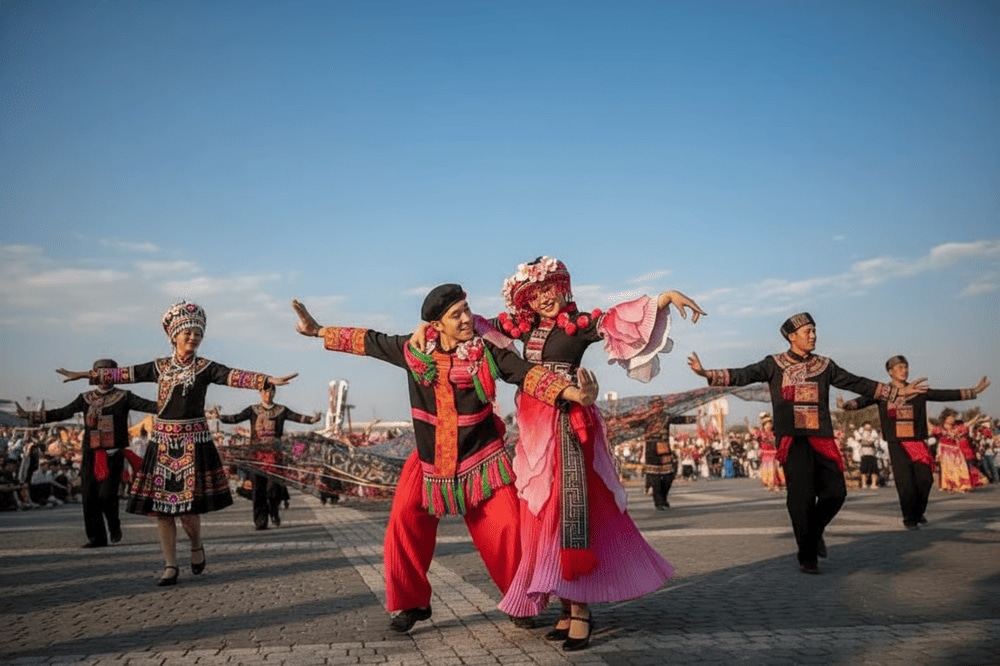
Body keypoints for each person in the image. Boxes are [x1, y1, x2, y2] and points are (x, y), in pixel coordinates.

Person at [291, 284, 599, 634]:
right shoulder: (413, 350)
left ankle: (521, 602)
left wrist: (574, 393)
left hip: (483, 460)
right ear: (437, 324)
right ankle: (413, 603)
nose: (467, 318)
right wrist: (317, 331)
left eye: (467, 310)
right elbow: (370, 341)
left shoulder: (487, 351)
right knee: (404, 523)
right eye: (457, 315)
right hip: (428, 463)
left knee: (508, 529)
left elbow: (525, 374)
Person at [457, 256, 702, 651]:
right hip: (535, 425)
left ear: (561, 289)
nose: (544, 300)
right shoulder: (524, 329)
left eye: (549, 291)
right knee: (540, 511)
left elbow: (618, 320)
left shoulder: (579, 324)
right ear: (526, 302)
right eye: (535, 296)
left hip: (570, 418)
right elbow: (476, 326)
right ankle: (567, 608)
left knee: (567, 508)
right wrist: (444, 316)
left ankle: (582, 609)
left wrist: (664, 298)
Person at [56, 300, 298, 586]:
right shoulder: (159, 367)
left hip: (193, 444)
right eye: (188, 333)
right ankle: (170, 564)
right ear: (174, 336)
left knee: (188, 512)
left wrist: (265, 379)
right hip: (161, 444)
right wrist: (85, 375)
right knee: (162, 510)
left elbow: (233, 375)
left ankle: (196, 545)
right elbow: (125, 374)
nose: (193, 338)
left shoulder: (206, 367)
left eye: (198, 333)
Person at [687, 312, 927, 574]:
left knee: (836, 493)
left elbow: (857, 382)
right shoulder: (774, 364)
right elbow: (745, 374)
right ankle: (807, 556)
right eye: (807, 332)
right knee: (800, 499)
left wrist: (896, 391)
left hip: (822, 437)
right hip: (793, 440)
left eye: (814, 331)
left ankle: (814, 531)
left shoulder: (825, 366)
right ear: (792, 337)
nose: (813, 336)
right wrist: (706, 373)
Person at [16, 360, 158, 547]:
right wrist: (30, 416)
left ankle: (114, 524)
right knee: (89, 496)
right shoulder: (85, 398)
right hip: (90, 453)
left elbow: (150, 406)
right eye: (99, 372)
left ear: (115, 375)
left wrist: (176, 401)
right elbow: (62, 412)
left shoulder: (124, 396)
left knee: (106, 495)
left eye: (108, 373)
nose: (103, 377)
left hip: (113, 454)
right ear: (93, 374)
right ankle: (96, 538)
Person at [839, 356, 989, 528]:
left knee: (925, 479)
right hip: (896, 443)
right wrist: (846, 405)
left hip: (917, 441)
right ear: (890, 372)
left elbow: (942, 394)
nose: (904, 370)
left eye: (906, 367)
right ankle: (909, 519)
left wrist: (974, 391)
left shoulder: (918, 391)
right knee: (905, 483)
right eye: (900, 367)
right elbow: (861, 401)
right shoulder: (884, 393)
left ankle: (918, 512)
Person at [210, 386, 320, 530]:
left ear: (274, 392)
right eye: (265, 391)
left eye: (270, 391)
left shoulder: (281, 410)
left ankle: (273, 511)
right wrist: (220, 417)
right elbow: (236, 418)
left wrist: (312, 420)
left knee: (273, 489)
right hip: (256, 456)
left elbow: (297, 417)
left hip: (274, 457)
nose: (267, 394)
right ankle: (260, 521)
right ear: (260, 393)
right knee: (258, 490)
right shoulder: (253, 410)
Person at [934, 408, 990, 492]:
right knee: (948, 469)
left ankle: (961, 485)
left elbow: (967, 424)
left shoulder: (957, 426)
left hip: (956, 450)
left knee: (960, 468)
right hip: (945, 450)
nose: (953, 419)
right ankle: (950, 485)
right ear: (946, 417)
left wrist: (976, 418)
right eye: (951, 417)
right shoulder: (940, 428)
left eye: (953, 417)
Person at [754, 413, 785, 492]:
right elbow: (755, 436)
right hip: (767, 455)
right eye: (767, 424)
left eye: (770, 424)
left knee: (778, 470)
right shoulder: (761, 433)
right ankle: (772, 484)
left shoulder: (774, 433)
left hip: (775, 453)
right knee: (771, 470)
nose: (769, 426)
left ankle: (779, 484)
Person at [855, 422, 882, 490]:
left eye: (869, 428)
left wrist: (866, 441)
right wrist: (866, 441)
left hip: (873, 453)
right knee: (863, 470)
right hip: (864, 454)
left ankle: (873, 484)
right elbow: (859, 440)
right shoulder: (860, 432)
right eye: (866, 428)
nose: (868, 430)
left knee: (874, 470)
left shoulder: (873, 432)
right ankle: (864, 484)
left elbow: (873, 441)